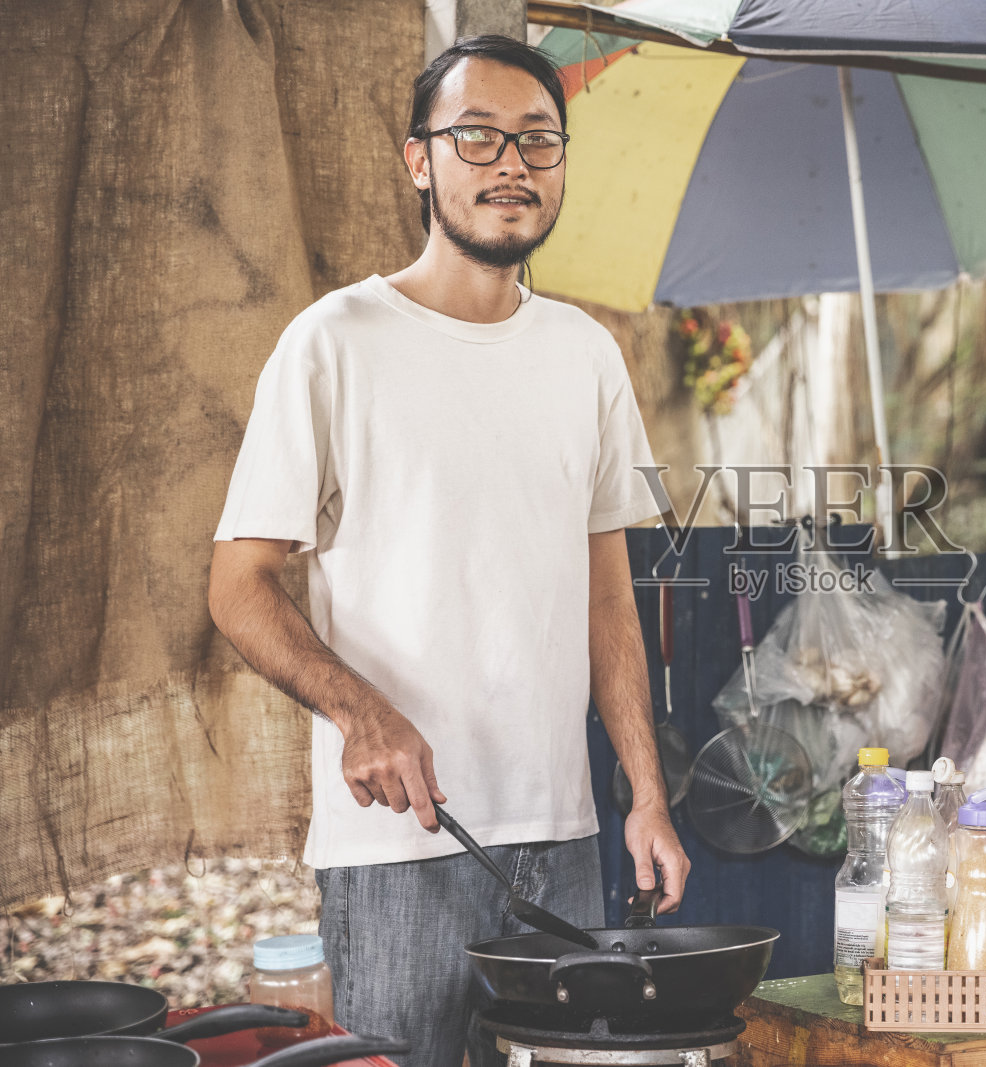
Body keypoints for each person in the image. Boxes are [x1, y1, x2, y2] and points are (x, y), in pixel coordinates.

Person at [207, 34, 689, 1066]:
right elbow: (237, 586)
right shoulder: (333, 342)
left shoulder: (587, 356)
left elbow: (610, 597)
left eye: (537, 141)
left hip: (560, 839)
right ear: (418, 160)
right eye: (477, 136)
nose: (511, 163)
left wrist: (644, 792)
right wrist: (361, 712)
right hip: (397, 847)